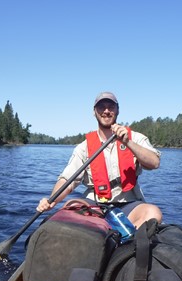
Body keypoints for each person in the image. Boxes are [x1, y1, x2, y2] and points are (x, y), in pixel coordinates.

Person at [37, 92, 162, 228]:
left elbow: (154, 163)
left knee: (153, 213)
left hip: (128, 204)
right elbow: (67, 180)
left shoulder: (135, 138)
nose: (106, 111)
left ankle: (122, 240)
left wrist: (128, 143)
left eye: (111, 107)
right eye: (101, 107)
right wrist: (52, 201)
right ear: (94, 112)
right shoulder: (83, 147)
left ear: (117, 110)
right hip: (94, 203)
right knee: (70, 206)